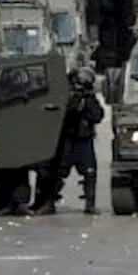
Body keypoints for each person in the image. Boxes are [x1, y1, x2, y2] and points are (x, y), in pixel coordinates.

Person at [34, 66, 105, 215]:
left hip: (83, 139)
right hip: (66, 138)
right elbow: (60, 113)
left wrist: (86, 103)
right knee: (57, 171)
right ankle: (49, 202)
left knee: (89, 172)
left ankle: (90, 204)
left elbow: (98, 115)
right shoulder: (64, 94)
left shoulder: (89, 98)